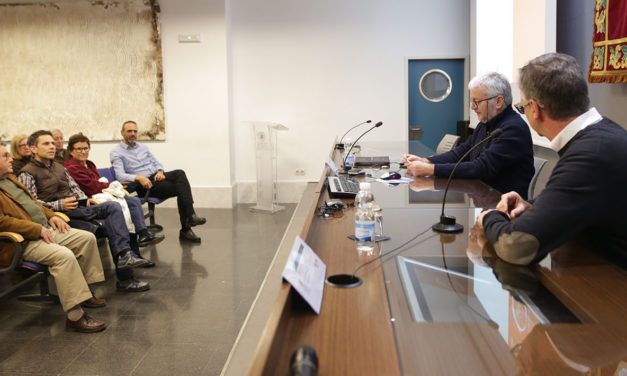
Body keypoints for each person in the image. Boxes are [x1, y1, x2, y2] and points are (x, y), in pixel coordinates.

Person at [478, 53, 627, 266]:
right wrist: (532, 206)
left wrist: (489, 217)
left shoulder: (589, 156)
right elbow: (581, 197)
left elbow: (516, 247)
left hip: (611, 287)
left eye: (522, 108)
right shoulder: (603, 135)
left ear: (535, 109)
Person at [18, 130, 153, 292]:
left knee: (118, 210)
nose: (52, 147)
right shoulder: (27, 172)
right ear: (33, 149)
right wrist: (59, 205)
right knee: (114, 218)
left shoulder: (59, 167)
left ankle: (126, 256)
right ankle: (126, 274)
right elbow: (31, 204)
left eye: (53, 143)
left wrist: (85, 200)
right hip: (58, 216)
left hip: (77, 208)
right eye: (46, 144)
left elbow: (76, 190)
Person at [0, 144, 107, 333]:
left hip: (45, 229)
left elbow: (33, 204)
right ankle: (75, 316)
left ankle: (85, 292)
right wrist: (36, 228)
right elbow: (2, 222)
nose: (11, 159)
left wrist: (52, 216)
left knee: (86, 238)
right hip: (22, 241)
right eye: (5, 156)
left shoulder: (9, 179)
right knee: (63, 256)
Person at [403, 72, 535, 199]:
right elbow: (461, 153)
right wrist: (427, 161)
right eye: (472, 101)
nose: (472, 107)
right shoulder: (485, 124)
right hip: (483, 197)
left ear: (499, 102)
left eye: (477, 101)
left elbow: (481, 168)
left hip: (505, 205)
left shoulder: (513, 129)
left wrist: (430, 169)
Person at [110, 120, 206, 243]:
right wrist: (138, 177)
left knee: (180, 173)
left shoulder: (143, 147)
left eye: (135, 131)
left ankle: (190, 218)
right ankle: (187, 225)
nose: (133, 133)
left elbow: (156, 163)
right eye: (129, 131)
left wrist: (160, 171)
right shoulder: (116, 152)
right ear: (122, 132)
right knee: (180, 189)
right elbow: (120, 175)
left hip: (156, 178)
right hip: (143, 185)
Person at [64, 132, 164, 248]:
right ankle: (133, 244)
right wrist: (110, 185)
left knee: (133, 201)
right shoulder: (71, 167)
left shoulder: (89, 164)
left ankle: (142, 234)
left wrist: (107, 185)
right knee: (126, 204)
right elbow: (91, 186)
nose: (83, 151)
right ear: (71, 151)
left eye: (86, 148)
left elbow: (98, 183)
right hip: (90, 200)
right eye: (79, 149)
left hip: (103, 194)